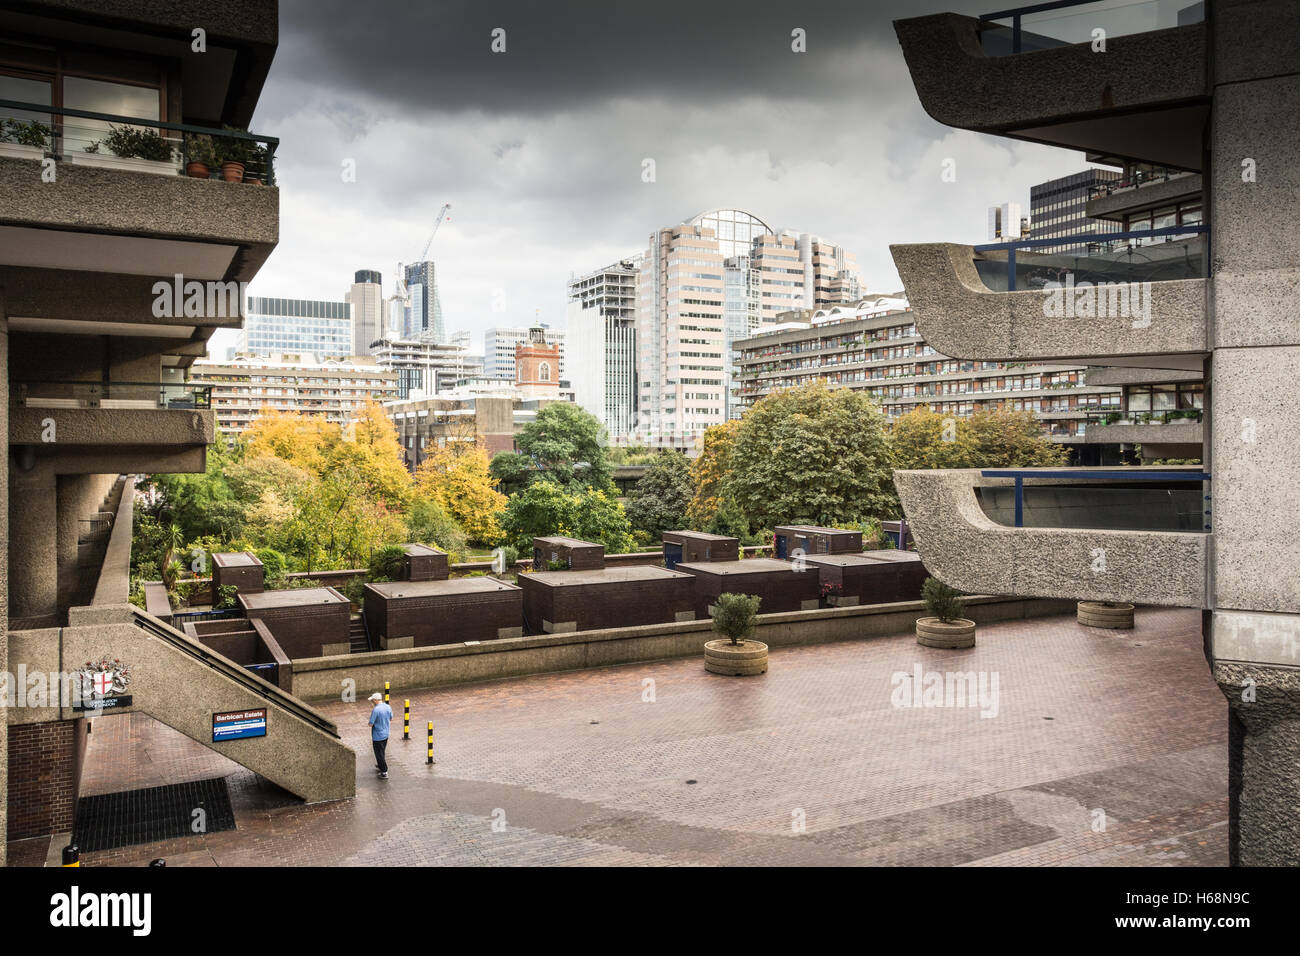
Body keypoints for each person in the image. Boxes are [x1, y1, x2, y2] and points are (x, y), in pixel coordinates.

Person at [368, 692, 393, 778]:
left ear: (375, 700)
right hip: (386, 734)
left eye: (372, 701)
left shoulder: (376, 710)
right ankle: (380, 765)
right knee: (382, 752)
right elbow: (391, 718)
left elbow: (371, 723)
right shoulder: (388, 707)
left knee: (379, 754)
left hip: (377, 736)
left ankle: (384, 771)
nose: (372, 702)